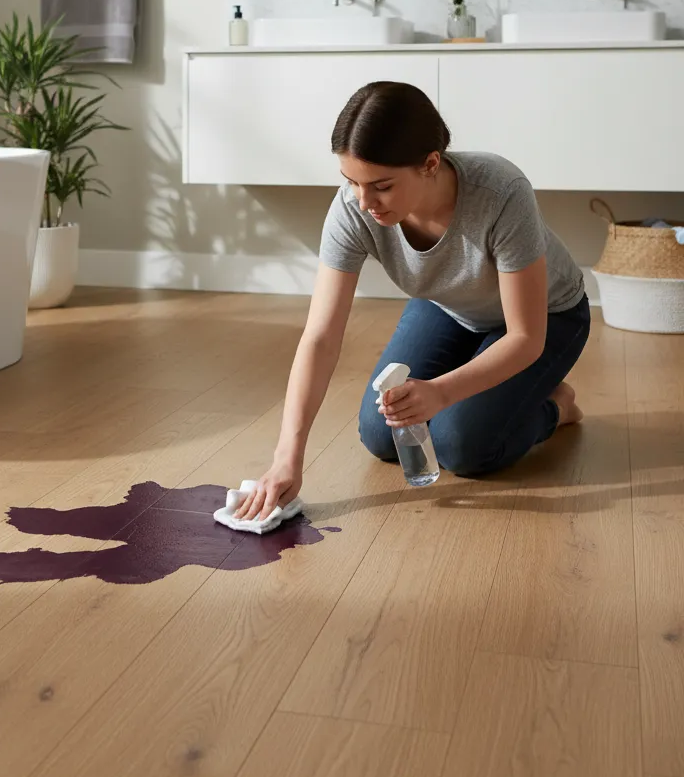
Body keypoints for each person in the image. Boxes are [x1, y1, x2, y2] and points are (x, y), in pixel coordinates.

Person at [235, 80, 590, 523]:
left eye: (381, 186)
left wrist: (440, 392)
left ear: (430, 164)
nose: (364, 202)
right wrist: (286, 457)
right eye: (351, 181)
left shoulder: (501, 192)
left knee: (461, 445)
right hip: (450, 307)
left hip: (547, 318)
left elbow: (525, 337)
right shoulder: (353, 208)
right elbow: (320, 337)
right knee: (381, 434)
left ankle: (557, 405)